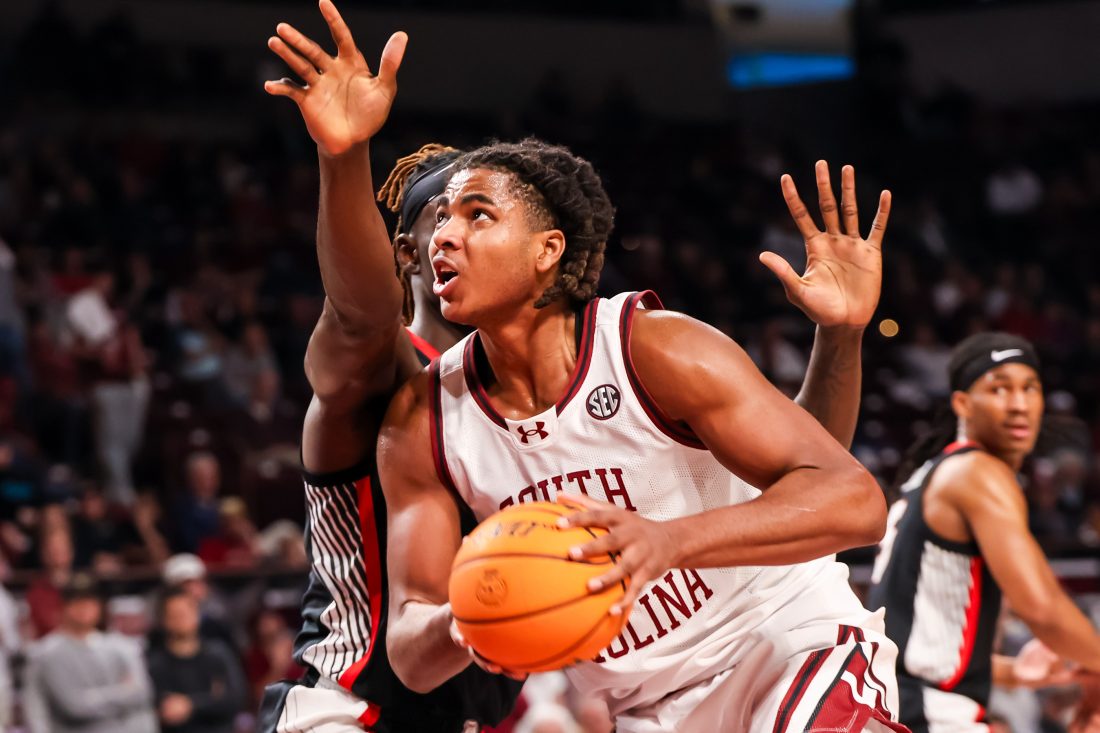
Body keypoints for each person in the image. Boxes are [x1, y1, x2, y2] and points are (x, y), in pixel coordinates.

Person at [264, 3, 893, 731]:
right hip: (374, 703)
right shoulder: (404, 397)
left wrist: (840, 338)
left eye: (477, 214)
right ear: (398, 251)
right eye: (439, 218)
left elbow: (824, 482)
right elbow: (362, 314)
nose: (449, 234)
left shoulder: (646, 344)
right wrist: (345, 158)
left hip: (780, 645)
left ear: (548, 248)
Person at [869, 332, 1100, 733]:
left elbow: (906, 640)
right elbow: (1042, 607)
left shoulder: (932, 475)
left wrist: (1013, 673)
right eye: (999, 389)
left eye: (1030, 388)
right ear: (961, 403)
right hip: (924, 711)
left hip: (896, 702)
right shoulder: (977, 472)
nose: (1018, 403)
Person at [22, 573, 157, 733]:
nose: (84, 607)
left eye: (90, 601)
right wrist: (123, 692)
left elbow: (142, 694)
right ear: (64, 606)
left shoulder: (122, 647)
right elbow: (72, 706)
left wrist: (91, 698)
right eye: (77, 601)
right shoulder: (44, 653)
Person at [146, 586, 247, 733]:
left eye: (187, 612)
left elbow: (235, 699)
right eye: (176, 615)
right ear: (164, 620)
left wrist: (191, 705)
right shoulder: (155, 664)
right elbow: (161, 708)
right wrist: (211, 699)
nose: (183, 619)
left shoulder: (218, 654)